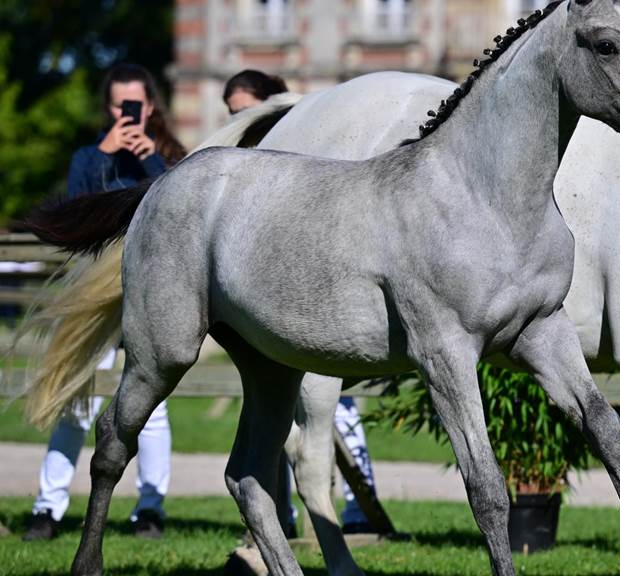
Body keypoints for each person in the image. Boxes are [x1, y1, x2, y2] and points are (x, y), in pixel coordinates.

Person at [23, 62, 186, 542]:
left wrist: (152, 161)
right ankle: (47, 509)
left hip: (147, 297)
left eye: (134, 104)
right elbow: (75, 217)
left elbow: (181, 216)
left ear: (151, 106)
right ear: (108, 107)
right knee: (76, 401)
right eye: (119, 104)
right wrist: (103, 155)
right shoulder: (87, 156)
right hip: (92, 300)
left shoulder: (170, 157)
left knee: (151, 411)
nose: (127, 112)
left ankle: (149, 510)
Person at [222, 69, 377, 534]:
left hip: (325, 305)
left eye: (245, 111)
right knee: (277, 416)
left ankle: (354, 510)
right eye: (232, 115)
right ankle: (283, 518)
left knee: (334, 416)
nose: (237, 122)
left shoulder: (305, 142)